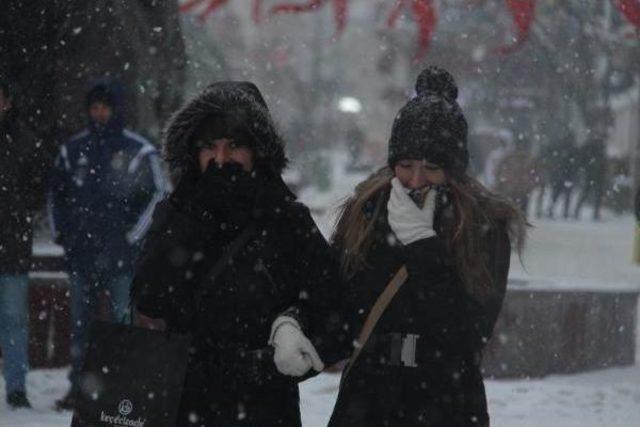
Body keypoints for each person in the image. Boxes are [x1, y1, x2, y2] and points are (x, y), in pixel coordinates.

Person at [130, 81, 346, 426]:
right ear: (193, 152)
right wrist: (191, 219)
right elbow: (149, 296)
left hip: (264, 404)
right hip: (185, 401)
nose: (221, 158)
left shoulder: (286, 218)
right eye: (210, 146)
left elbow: (335, 305)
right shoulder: (178, 211)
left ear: (258, 150)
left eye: (234, 145)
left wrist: (295, 329)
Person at [322, 67, 526, 426]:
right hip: (368, 398)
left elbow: (468, 333)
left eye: (432, 167)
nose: (416, 180)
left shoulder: (483, 229)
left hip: (446, 400)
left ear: (454, 168)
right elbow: (338, 303)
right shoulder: (366, 214)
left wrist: (422, 246)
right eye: (405, 165)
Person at [48, 78, 168, 409]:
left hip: (121, 258)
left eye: (105, 107)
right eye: (94, 107)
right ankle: (79, 389)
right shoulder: (72, 150)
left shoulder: (138, 150)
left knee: (121, 325)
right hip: (82, 255)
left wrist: (132, 236)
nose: (99, 113)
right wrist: (64, 235)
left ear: (116, 109)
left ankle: (121, 390)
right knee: (80, 326)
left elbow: (158, 195)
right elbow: (56, 196)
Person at [0, 76, 45, 409]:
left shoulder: (25, 141)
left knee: (14, 318)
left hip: (13, 245)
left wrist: (19, 215)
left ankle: (16, 386)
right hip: (15, 238)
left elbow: (38, 189)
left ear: (8, 102)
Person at [573, 136, 607, 221]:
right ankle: (579, 212)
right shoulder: (592, 146)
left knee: (592, 193)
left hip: (595, 173)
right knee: (590, 193)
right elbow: (583, 159)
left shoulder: (594, 146)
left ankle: (580, 212)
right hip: (592, 173)